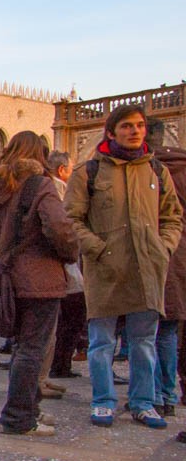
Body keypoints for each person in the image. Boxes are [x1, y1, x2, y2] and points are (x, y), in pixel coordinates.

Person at [65, 103, 183, 429]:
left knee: (144, 343)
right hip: (105, 269)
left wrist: (164, 247)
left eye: (140, 125)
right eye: (127, 126)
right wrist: (97, 248)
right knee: (102, 343)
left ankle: (143, 402)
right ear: (111, 132)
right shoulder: (89, 172)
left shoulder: (156, 171)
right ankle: (103, 400)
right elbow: (71, 219)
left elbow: (172, 216)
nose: (135, 131)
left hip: (147, 268)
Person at [0, 131, 79, 436]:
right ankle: (18, 417)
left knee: (21, 347)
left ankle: (29, 409)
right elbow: (59, 228)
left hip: (6, 279)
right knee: (32, 349)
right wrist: (69, 254)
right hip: (40, 279)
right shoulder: (39, 184)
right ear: (39, 154)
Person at [148, 124, 186, 419]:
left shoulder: (147, 170)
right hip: (180, 257)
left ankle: (158, 395)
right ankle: (172, 394)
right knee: (171, 329)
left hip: (156, 255)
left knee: (153, 331)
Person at [45, 152, 87, 381]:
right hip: (63, 263)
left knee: (62, 318)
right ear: (62, 170)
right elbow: (62, 228)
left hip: (56, 264)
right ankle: (59, 364)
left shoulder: (45, 188)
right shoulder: (58, 191)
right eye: (71, 169)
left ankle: (59, 365)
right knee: (70, 315)